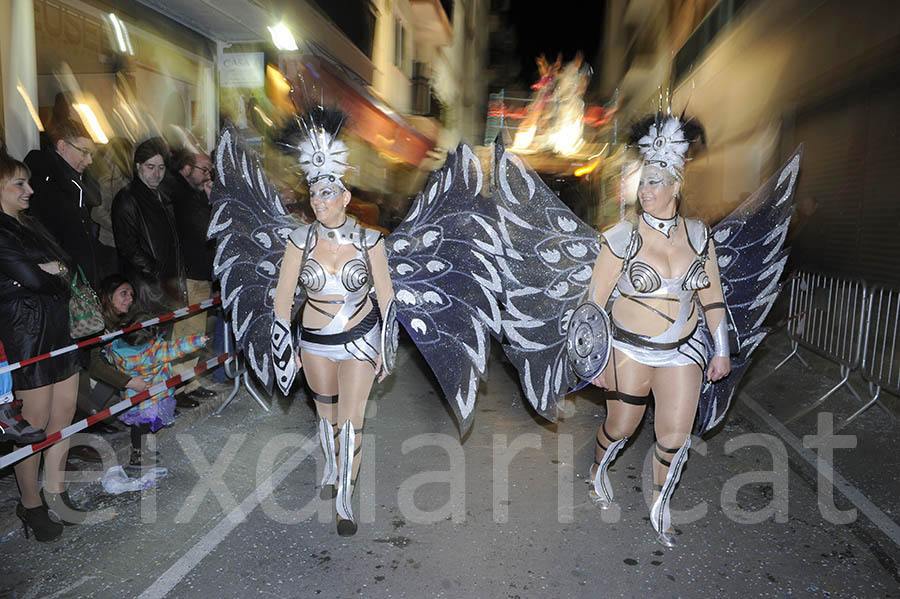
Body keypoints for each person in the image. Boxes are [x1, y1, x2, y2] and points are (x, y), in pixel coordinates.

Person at [584, 114, 730, 548]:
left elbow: (713, 298)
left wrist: (720, 350)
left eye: (655, 182)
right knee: (622, 426)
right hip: (628, 349)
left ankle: (659, 501)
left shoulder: (700, 237)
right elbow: (592, 303)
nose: (645, 191)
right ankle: (596, 469)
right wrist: (592, 360)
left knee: (675, 436)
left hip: (683, 349)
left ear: (675, 187)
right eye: (642, 183)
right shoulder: (621, 238)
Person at [271, 108, 395, 536]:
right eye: (314, 194)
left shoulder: (371, 240)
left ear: (345, 196)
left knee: (352, 420)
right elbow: (283, 299)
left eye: (328, 193)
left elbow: (386, 295)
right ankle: (330, 469)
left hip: (361, 341)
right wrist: (285, 350)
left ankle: (345, 498)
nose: (318, 201)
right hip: (314, 343)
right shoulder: (298, 240)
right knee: (325, 414)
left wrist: (386, 349)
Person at [0, 151, 84, 541]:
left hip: (59, 327)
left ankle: (56, 491)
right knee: (33, 424)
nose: (29, 189)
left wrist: (46, 272)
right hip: (26, 333)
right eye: (19, 183)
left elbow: (64, 265)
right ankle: (30, 503)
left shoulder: (29, 224)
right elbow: (33, 280)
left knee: (64, 414)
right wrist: (44, 273)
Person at [103, 311, 207, 467]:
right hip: (152, 399)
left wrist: (108, 339)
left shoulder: (116, 350)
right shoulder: (154, 351)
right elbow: (177, 347)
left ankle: (140, 452)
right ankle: (138, 456)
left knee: (138, 429)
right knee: (144, 429)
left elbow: (107, 353)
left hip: (133, 399)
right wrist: (198, 340)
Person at [164, 147, 217, 402]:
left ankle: (189, 382)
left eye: (210, 171)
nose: (207, 176)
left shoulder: (192, 195)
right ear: (186, 169)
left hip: (199, 272)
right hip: (189, 273)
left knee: (194, 332)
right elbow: (201, 231)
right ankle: (179, 386)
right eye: (203, 170)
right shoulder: (181, 196)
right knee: (184, 332)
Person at [111, 138, 186, 314]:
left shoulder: (162, 197)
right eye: (150, 167)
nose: (157, 174)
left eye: (161, 168)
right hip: (147, 287)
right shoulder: (127, 199)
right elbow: (128, 247)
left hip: (165, 283)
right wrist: (156, 273)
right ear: (138, 166)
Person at [24, 119, 103, 287]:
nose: (89, 161)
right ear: (62, 146)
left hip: (76, 275)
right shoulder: (45, 185)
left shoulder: (72, 181)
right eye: (84, 152)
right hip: (65, 282)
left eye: (92, 154)